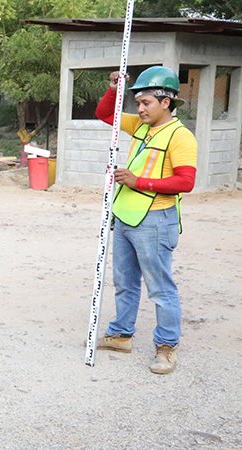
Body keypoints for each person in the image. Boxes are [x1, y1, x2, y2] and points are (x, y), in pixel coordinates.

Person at [94, 66, 198, 375]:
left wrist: (138, 181)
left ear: (166, 102)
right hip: (126, 215)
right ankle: (121, 334)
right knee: (124, 282)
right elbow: (104, 114)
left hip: (156, 220)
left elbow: (186, 182)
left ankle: (166, 346)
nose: (139, 109)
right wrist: (114, 89)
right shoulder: (142, 127)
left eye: (146, 103)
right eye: (137, 103)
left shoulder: (180, 136)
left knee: (159, 286)